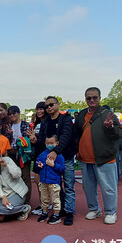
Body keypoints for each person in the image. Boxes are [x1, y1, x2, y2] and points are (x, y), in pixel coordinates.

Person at [74, 87, 122, 225]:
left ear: (100, 98)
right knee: (88, 187)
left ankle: (111, 211)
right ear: (85, 99)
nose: (92, 100)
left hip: (105, 158)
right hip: (85, 158)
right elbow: (76, 135)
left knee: (108, 187)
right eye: (89, 98)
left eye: (94, 97)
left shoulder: (107, 114)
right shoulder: (82, 114)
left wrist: (110, 127)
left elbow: (119, 134)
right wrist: (77, 150)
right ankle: (94, 209)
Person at [29, 96, 76, 226]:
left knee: (68, 185)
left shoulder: (65, 119)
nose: (49, 108)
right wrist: (36, 141)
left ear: (57, 105)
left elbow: (66, 136)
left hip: (64, 157)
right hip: (50, 159)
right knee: (56, 186)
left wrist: (56, 151)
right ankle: (59, 210)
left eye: (51, 105)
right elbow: (45, 141)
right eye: (47, 106)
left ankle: (70, 212)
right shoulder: (45, 122)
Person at [0, 145, 31, 223]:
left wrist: (6, 165)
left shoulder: (8, 160)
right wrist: (3, 197)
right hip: (5, 195)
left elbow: (17, 174)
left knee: (1, 210)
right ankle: (15, 213)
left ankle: (24, 208)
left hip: (17, 192)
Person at [35, 135, 65, 225]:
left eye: (51, 143)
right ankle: (45, 213)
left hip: (54, 181)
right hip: (44, 181)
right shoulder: (43, 154)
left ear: (57, 143)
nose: (49, 145)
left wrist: (54, 165)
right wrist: (39, 164)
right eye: (47, 143)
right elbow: (37, 162)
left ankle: (56, 215)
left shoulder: (59, 156)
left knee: (55, 199)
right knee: (44, 198)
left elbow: (62, 169)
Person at [6, 105, 32, 205]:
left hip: (23, 155)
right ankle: (17, 200)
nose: (12, 116)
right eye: (10, 114)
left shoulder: (25, 125)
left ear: (18, 113)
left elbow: (26, 140)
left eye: (14, 113)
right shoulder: (9, 126)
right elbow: (7, 141)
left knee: (25, 177)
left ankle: (26, 202)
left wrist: (16, 142)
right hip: (12, 155)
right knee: (14, 177)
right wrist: (11, 135)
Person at [30, 101, 46, 216]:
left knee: (43, 181)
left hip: (45, 154)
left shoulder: (48, 122)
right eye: (38, 109)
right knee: (38, 180)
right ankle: (44, 203)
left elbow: (48, 139)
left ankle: (44, 205)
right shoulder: (36, 123)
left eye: (42, 109)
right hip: (37, 154)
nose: (39, 111)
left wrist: (37, 139)